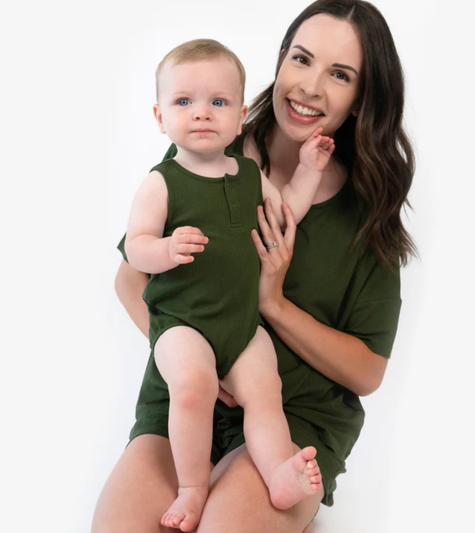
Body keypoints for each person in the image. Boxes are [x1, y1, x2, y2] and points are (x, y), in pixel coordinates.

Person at [92, 1, 416, 532]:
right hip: (186, 401)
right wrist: (192, 363)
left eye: (339, 74)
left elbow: (367, 371)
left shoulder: (365, 213)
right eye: (301, 59)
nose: (310, 86)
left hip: (292, 414)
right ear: (281, 59)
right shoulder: (205, 150)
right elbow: (131, 280)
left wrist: (274, 303)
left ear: (362, 99)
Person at [124, 38, 335, 531]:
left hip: (240, 325)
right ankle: (192, 488)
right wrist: (165, 249)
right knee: (193, 387)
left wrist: (308, 170)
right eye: (184, 101)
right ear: (159, 116)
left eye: (218, 102)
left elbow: (286, 214)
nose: (201, 113)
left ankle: (277, 471)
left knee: (265, 391)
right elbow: (135, 247)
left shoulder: (248, 175)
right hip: (182, 325)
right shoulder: (162, 181)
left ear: (240, 117)